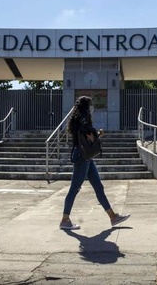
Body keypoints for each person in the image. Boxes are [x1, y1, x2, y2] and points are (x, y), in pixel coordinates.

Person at [60, 96, 130, 230]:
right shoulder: (83, 120)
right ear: (87, 107)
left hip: (85, 157)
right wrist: (99, 133)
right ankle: (65, 219)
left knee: (98, 186)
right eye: (90, 105)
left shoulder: (76, 119)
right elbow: (90, 136)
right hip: (82, 157)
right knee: (74, 189)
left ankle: (113, 217)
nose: (92, 108)